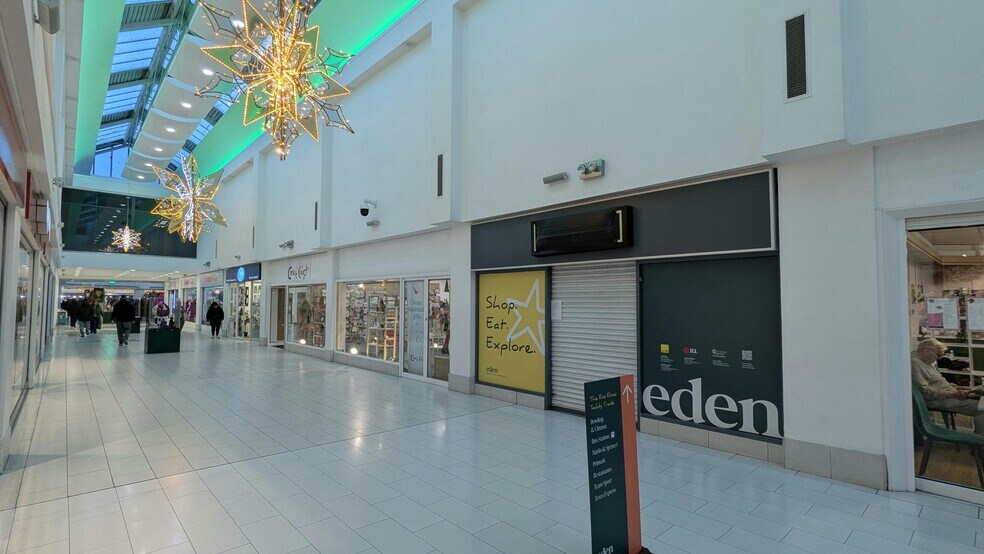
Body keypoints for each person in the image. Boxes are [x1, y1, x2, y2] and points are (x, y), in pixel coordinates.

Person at [912, 338, 984, 435]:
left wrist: (956, 387)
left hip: (948, 394)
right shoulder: (915, 363)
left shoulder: (925, 362)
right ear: (926, 350)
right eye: (938, 355)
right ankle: (980, 443)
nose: (939, 358)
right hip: (940, 399)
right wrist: (952, 394)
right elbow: (925, 391)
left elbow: (938, 382)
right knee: (982, 409)